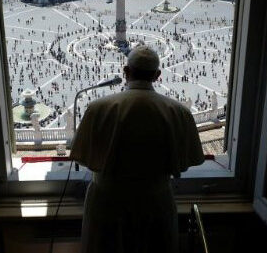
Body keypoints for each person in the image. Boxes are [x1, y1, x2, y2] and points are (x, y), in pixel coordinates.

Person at [70, 45, 205, 253]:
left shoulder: (97, 109)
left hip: (107, 205)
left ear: (126, 72)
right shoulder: (179, 112)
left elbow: (82, 158)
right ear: (158, 75)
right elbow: (191, 160)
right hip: (156, 204)